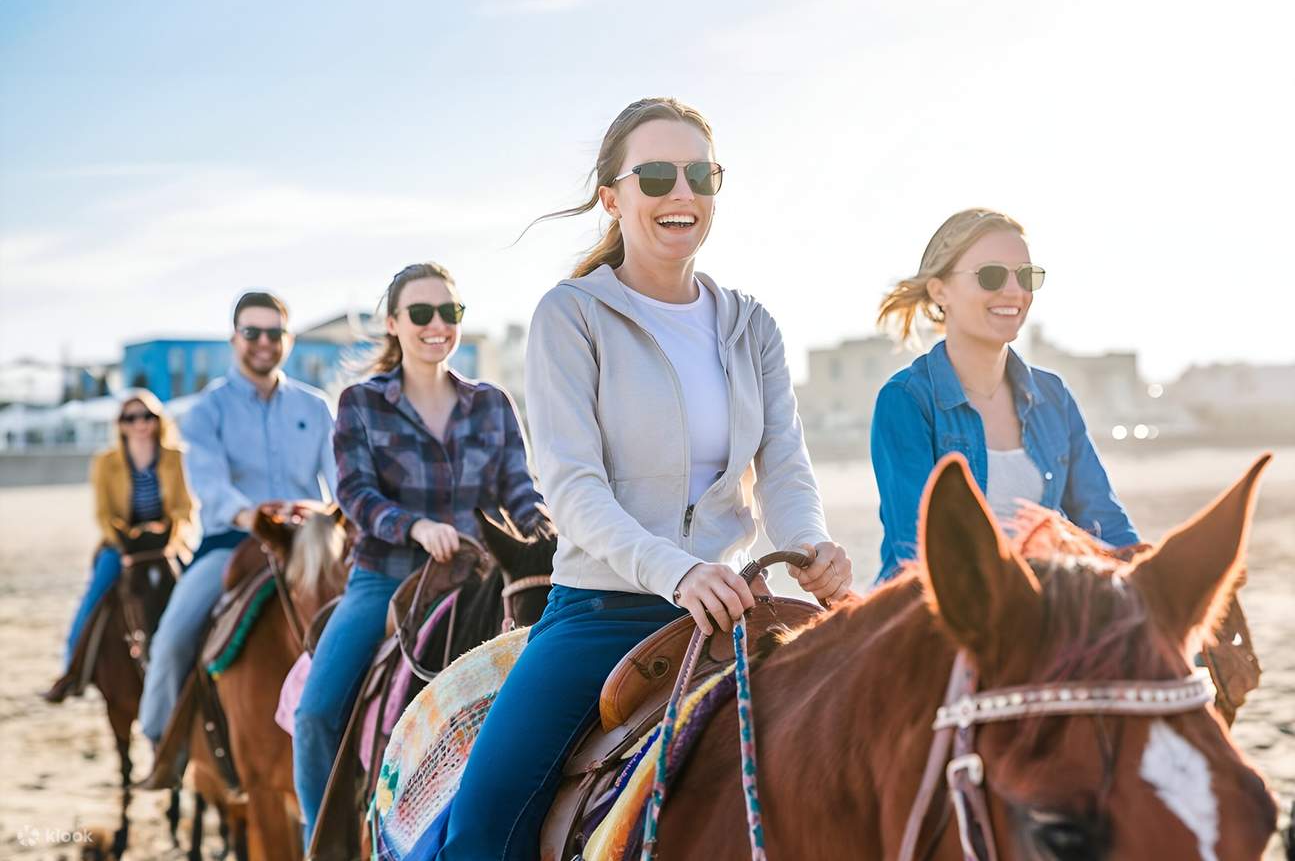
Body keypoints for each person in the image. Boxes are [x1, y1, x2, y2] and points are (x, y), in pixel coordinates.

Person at [433, 97, 854, 860]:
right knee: (483, 827)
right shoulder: (571, 315)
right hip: (603, 611)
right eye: (655, 175)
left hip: (731, 607)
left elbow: (784, 463)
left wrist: (808, 544)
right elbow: (572, 487)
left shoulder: (750, 323)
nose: (680, 192)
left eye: (701, 174)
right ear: (612, 197)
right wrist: (677, 569)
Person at [294, 262, 550, 841]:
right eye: (421, 313)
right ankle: (322, 842)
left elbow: (521, 492)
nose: (437, 325)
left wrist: (550, 534)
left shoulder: (493, 404)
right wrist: (414, 527)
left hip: (484, 576)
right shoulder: (361, 403)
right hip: (385, 575)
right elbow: (354, 493)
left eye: (449, 313)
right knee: (315, 714)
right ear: (393, 323)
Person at [870, 208, 1139, 583]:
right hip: (935, 615)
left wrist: (1150, 574)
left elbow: (1106, 526)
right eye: (991, 275)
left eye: (1026, 276)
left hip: (1041, 607)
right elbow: (915, 551)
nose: (1014, 291)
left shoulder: (1054, 396)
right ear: (939, 290)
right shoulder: (905, 399)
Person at [138, 291, 337, 745]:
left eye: (274, 332)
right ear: (234, 339)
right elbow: (208, 483)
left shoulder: (317, 406)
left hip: (312, 544)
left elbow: (341, 480)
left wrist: (327, 513)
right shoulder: (206, 410)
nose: (263, 342)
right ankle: (162, 740)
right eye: (252, 332)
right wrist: (251, 514)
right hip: (234, 541)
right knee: (173, 636)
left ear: (288, 339)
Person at [44, 390, 195, 702]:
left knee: (195, 590)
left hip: (166, 542)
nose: (140, 423)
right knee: (94, 595)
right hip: (123, 544)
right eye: (131, 418)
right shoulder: (106, 462)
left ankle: (204, 664)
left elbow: (184, 507)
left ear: (157, 421)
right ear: (121, 425)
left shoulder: (175, 456)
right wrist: (126, 542)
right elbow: (103, 514)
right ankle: (72, 670)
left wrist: (167, 532)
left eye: (147, 416)